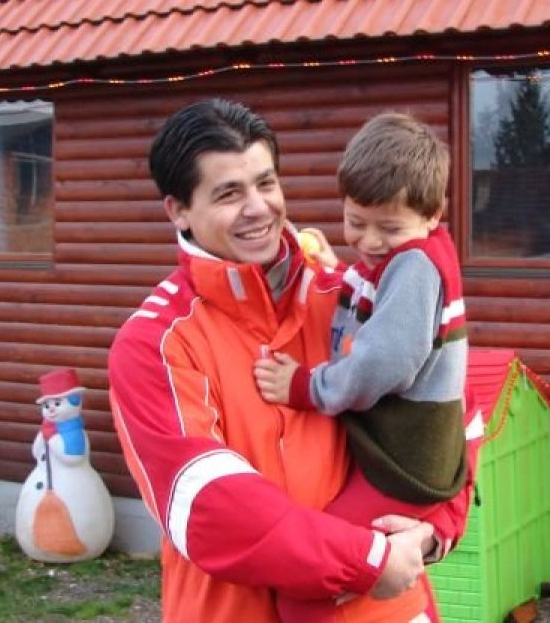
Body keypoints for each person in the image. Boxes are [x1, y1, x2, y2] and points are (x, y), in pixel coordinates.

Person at [106, 99, 470, 623]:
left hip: (384, 610)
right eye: (229, 193)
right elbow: (208, 504)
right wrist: (368, 559)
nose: (258, 207)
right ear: (178, 210)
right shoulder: (154, 344)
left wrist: (436, 531)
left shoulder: (342, 293)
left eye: (266, 183)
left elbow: (455, 410)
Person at [255, 113, 468, 623]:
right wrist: (335, 270)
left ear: (433, 214)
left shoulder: (415, 266)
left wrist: (306, 386)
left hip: (402, 466)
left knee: (307, 580)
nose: (370, 241)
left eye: (388, 228)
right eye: (356, 222)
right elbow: (374, 292)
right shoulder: (407, 255)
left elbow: (382, 360)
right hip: (403, 460)